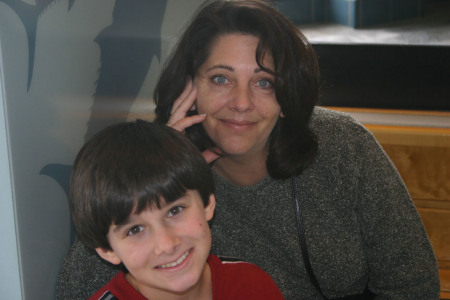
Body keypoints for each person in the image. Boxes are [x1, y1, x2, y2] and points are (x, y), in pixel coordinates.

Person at [57, 0, 440, 299]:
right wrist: (157, 163)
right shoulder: (174, 182)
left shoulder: (343, 146)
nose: (240, 102)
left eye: (263, 83)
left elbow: (413, 284)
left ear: (287, 93)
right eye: (221, 78)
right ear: (189, 88)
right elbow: (81, 285)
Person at [65, 119, 284, 300]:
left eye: (175, 210)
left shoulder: (252, 285)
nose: (167, 245)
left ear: (208, 203)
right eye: (135, 230)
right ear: (107, 250)